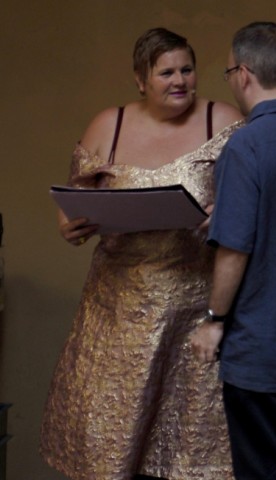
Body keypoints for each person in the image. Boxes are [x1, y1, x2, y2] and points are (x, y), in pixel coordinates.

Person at [40, 27, 243, 480]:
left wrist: (227, 210)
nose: (180, 81)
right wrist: (69, 226)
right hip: (117, 311)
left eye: (187, 70)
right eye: (166, 72)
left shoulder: (223, 120)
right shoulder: (107, 124)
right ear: (140, 80)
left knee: (188, 456)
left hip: (194, 308)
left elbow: (256, 196)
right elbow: (73, 199)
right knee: (110, 453)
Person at [191, 22, 276, 480]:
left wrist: (214, 321)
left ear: (243, 74)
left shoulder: (246, 145)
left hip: (264, 353)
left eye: (228, 73)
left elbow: (234, 249)